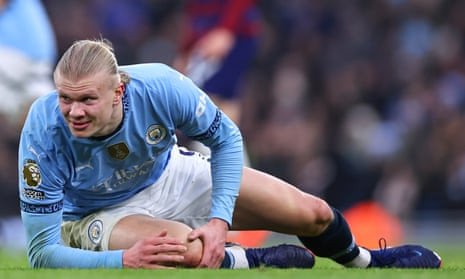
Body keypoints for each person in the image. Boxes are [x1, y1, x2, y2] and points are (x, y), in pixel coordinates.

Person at [18, 39, 442, 269]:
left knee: (312, 213)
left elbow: (226, 138)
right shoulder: (43, 129)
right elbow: (40, 252)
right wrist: (119, 262)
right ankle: (256, 260)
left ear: (119, 90)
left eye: (87, 100)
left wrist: (219, 221)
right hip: (95, 216)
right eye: (65, 99)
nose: (73, 111)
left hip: (170, 176)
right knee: (174, 249)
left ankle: (368, 262)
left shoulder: (161, 85)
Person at [173, 0, 260, 162]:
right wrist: (186, 49)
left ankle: (230, 168)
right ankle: (231, 166)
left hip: (231, 32)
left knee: (214, 103)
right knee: (209, 103)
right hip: (207, 33)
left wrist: (226, 28)